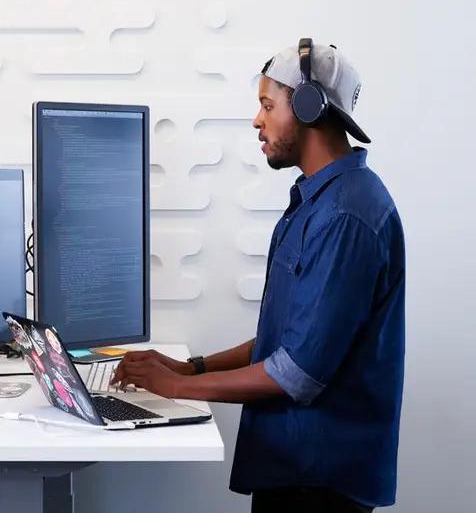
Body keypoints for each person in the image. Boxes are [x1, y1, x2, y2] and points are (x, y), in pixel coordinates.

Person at [111, 39, 405, 512]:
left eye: (268, 105)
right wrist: (191, 367)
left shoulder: (348, 217)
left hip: (318, 484)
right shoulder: (315, 204)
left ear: (309, 108)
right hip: (294, 471)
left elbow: (299, 372)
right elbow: (286, 339)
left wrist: (176, 389)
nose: (257, 120)